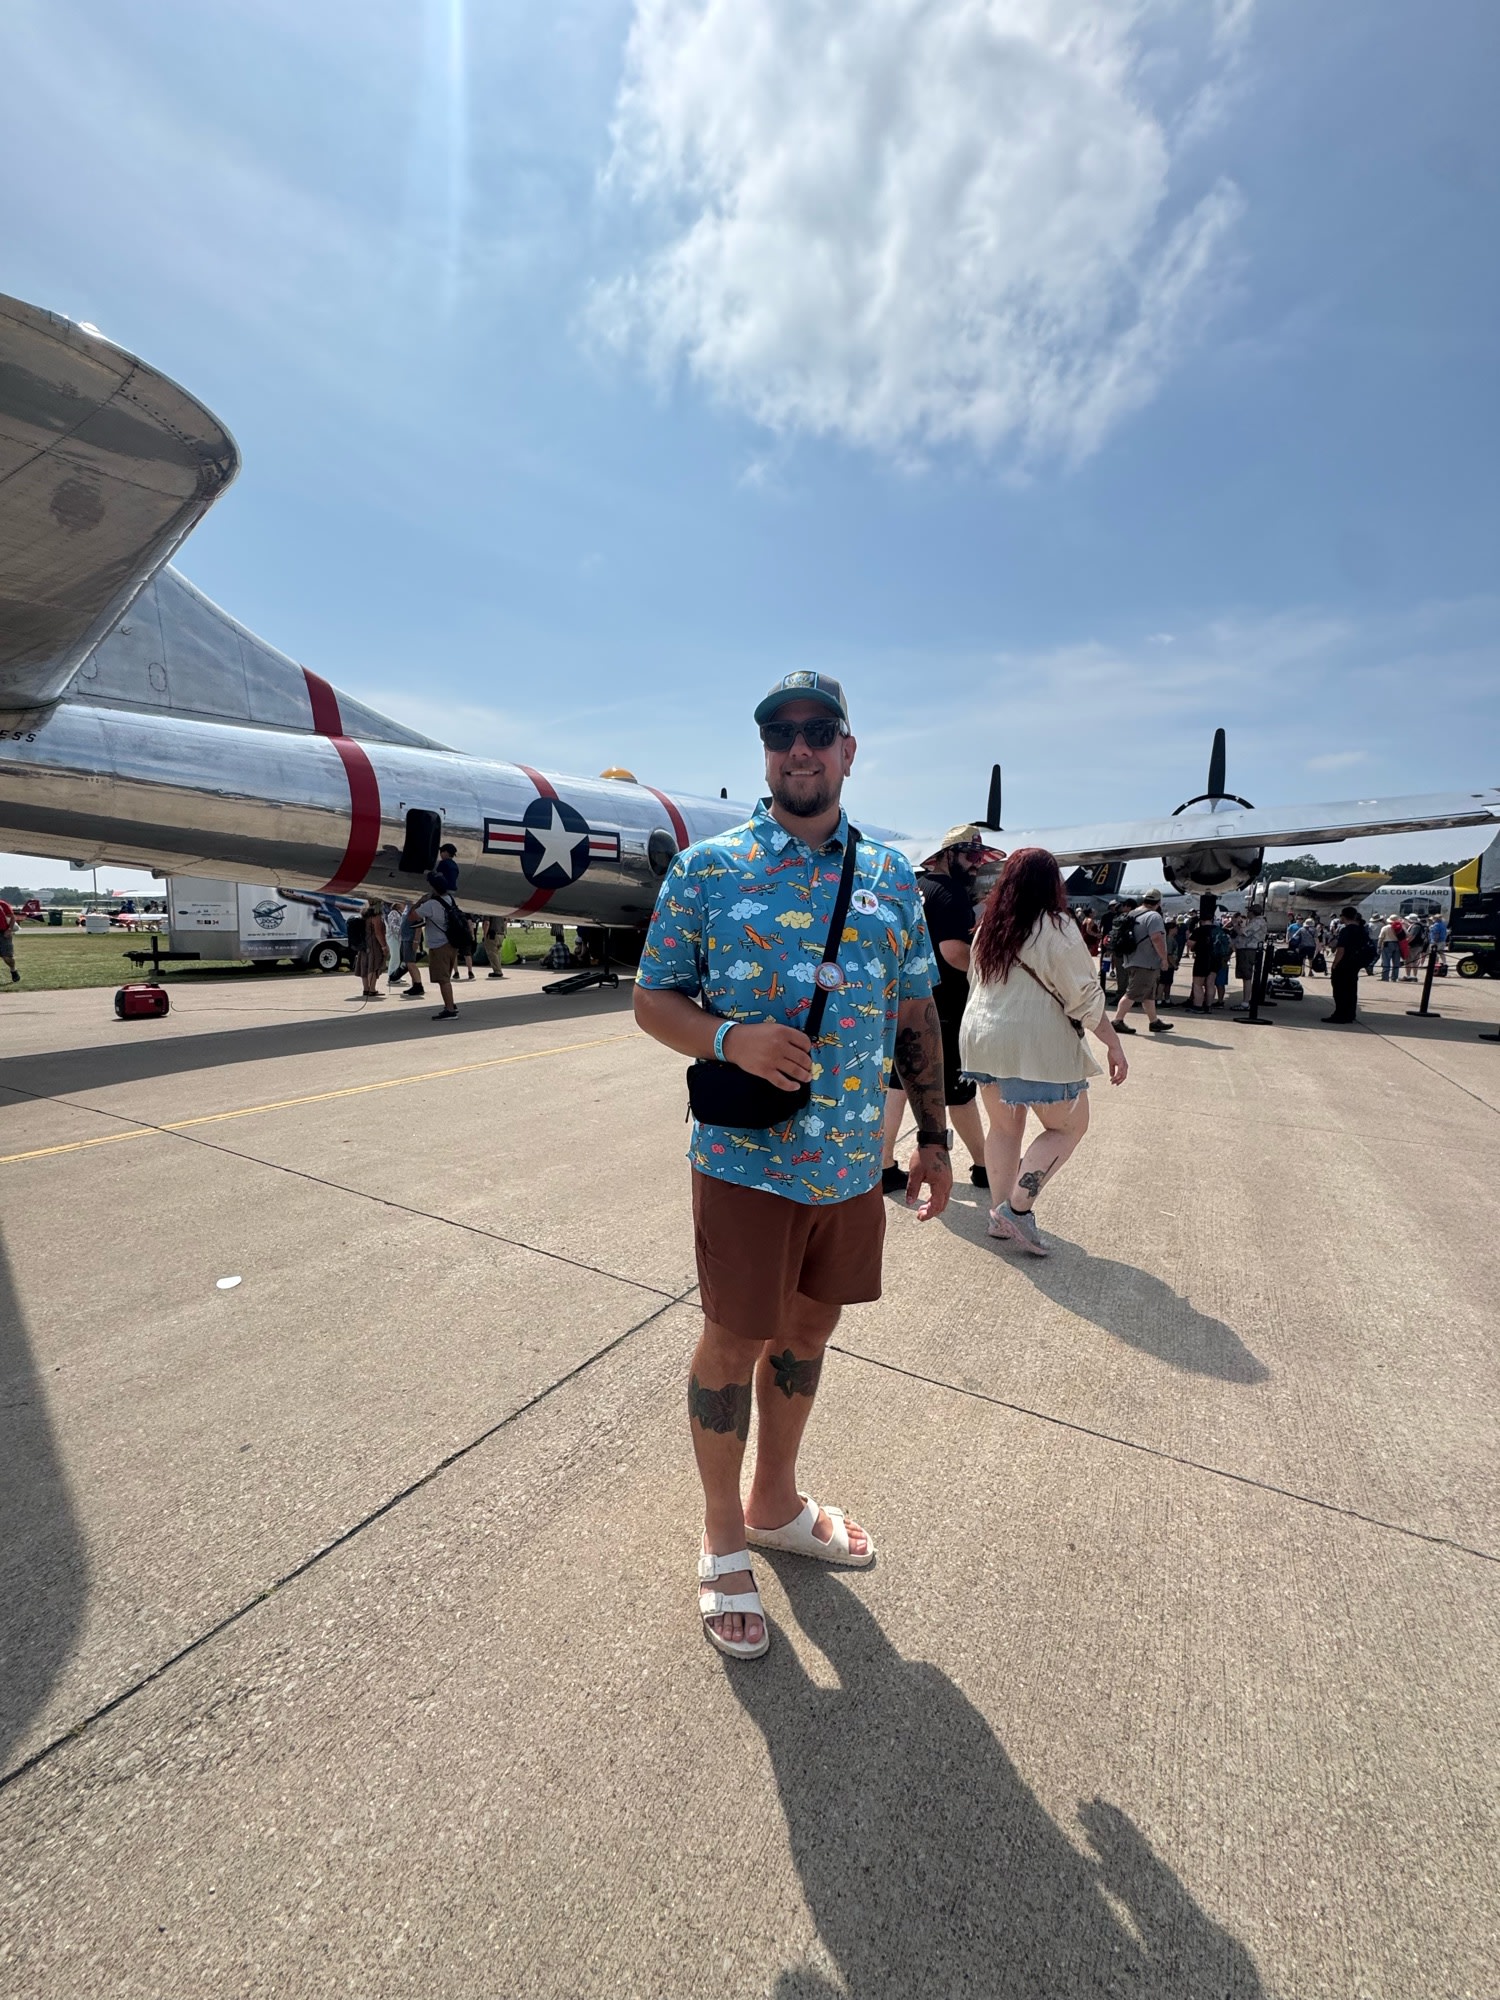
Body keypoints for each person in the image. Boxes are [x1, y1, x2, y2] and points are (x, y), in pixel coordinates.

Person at [633, 672, 950, 1663]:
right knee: (734, 1340)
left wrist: (935, 1136)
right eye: (780, 733)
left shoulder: (892, 877)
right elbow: (652, 998)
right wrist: (730, 1038)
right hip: (746, 1166)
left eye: (818, 731)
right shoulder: (708, 869)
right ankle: (723, 1534)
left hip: (853, 1167)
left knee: (809, 1332)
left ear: (848, 750)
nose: (798, 747)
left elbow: (915, 1012)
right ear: (765, 752)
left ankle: (775, 1501)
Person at [959, 847, 1128, 1256]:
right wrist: (1113, 1042)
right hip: (1034, 1043)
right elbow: (1084, 996)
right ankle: (1017, 1209)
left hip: (982, 1037)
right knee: (1068, 1127)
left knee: (1003, 1128)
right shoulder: (1056, 926)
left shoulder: (988, 927)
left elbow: (973, 981)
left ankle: (999, 1216)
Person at [881, 824, 993, 1193]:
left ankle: (883, 1164)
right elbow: (952, 951)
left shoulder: (920, 888)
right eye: (970, 856)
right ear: (947, 855)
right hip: (943, 1007)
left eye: (979, 857)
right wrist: (989, 975)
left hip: (907, 999)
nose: (976, 864)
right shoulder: (951, 894)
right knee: (959, 1090)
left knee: (898, 1083)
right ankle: (984, 1166)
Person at [1109, 888, 1173, 1035]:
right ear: (1158, 903)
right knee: (1133, 993)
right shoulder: (1154, 916)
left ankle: (1154, 1021)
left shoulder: (1132, 913)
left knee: (1148, 994)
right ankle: (1117, 1021)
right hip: (1145, 962)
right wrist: (1164, 959)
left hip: (1131, 959)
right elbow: (1156, 938)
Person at [412, 889, 461, 1019]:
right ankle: (450, 1004)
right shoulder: (449, 899)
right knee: (446, 977)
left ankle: (450, 1010)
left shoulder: (431, 904)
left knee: (443, 979)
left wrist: (420, 902)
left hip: (439, 945)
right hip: (451, 943)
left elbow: (411, 916)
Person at [1324, 905, 1372, 1023]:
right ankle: (1350, 1014)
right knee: (1351, 990)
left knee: (1340, 990)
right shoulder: (1361, 929)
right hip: (1355, 964)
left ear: (1344, 916)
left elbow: (1341, 949)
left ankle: (1340, 1014)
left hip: (1344, 963)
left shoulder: (1346, 930)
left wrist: (1335, 964)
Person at [1233, 907, 1268, 1012]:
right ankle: (1246, 1001)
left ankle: (1245, 1002)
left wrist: (1235, 924)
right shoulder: (1255, 921)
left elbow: (1243, 932)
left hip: (1248, 950)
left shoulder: (1257, 922)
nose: (1247, 913)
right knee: (1245, 976)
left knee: (1246, 976)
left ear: (1252, 912)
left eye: (1249, 911)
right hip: (1246, 950)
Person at [0, 896, 18, 984]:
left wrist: (9, 929)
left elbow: (12, 917)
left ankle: (13, 970)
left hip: (3, 933)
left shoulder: (2, 904)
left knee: (7, 957)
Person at [1377, 918, 1401, 983]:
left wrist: (1379, 947)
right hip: (1397, 944)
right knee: (1396, 962)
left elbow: (1381, 938)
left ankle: (1385, 977)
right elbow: (1407, 935)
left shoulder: (1385, 928)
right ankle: (1394, 977)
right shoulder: (1400, 927)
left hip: (1387, 944)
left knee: (1386, 961)